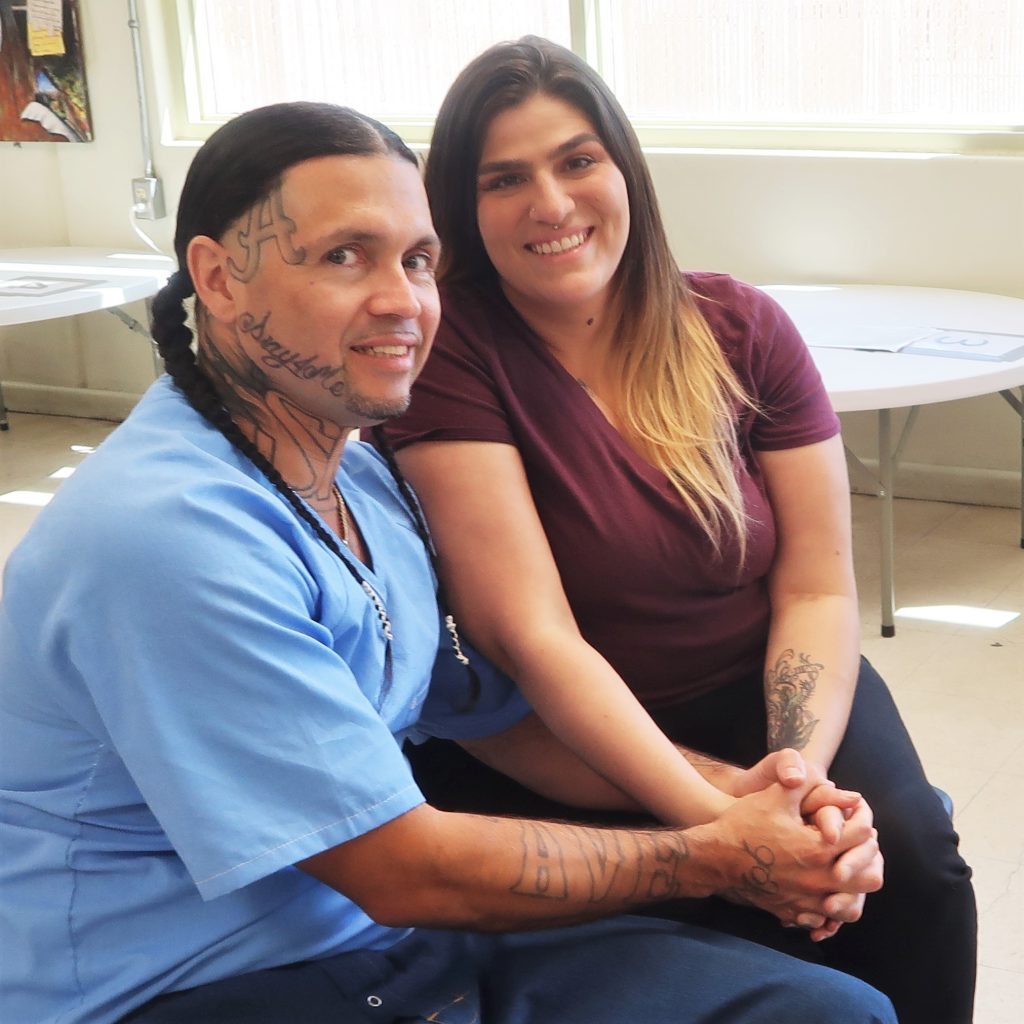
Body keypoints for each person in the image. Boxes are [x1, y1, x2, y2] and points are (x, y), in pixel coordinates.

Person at [0, 101, 896, 1024]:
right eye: (345, 255)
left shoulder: (358, 474)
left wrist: (756, 801)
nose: (403, 300)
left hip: (368, 940)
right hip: (175, 985)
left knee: (834, 1010)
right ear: (218, 279)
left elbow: (491, 723)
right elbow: (400, 869)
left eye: (417, 260)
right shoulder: (169, 539)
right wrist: (722, 856)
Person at [382, 37, 977, 1024]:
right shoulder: (455, 356)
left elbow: (820, 584)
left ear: (624, 168)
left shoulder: (739, 326)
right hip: (566, 724)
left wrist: (791, 774)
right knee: (741, 910)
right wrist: (732, 829)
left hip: (770, 686)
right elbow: (530, 635)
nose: (552, 203)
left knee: (904, 856)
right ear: (462, 207)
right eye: (505, 179)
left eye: (577, 160)